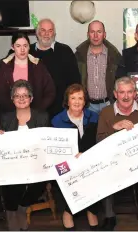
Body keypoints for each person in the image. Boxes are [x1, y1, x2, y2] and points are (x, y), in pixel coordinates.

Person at [97, 77, 138, 231]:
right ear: (115, 94)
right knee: (104, 170)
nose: (126, 96)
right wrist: (114, 128)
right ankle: (109, 217)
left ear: (135, 93)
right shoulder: (106, 113)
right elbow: (99, 142)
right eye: (122, 92)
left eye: (130, 92)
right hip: (115, 159)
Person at [0, 80, 50, 231]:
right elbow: (1, 148)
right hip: (13, 165)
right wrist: (0, 136)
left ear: (31, 98)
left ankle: (22, 206)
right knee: (10, 181)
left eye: (25, 96)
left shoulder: (42, 117)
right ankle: (11, 211)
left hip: (36, 164)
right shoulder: (5, 118)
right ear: (12, 99)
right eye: (17, 96)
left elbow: (47, 143)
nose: (21, 99)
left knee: (39, 183)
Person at [51, 84, 100, 231]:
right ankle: (68, 213)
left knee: (92, 184)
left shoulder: (94, 117)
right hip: (66, 166)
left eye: (80, 98)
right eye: (73, 98)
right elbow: (53, 150)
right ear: (67, 101)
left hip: (89, 163)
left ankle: (86, 212)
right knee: (68, 185)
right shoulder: (56, 121)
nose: (77, 102)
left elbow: (99, 142)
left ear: (85, 101)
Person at [30, 18, 82, 118]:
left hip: (61, 110)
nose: (46, 34)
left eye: (50, 31)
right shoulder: (28, 51)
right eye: (43, 30)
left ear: (54, 34)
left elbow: (75, 82)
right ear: (37, 33)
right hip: (33, 111)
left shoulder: (65, 51)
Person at [0, 32, 56, 114]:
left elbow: (50, 91)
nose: (22, 49)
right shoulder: (4, 66)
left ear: (29, 47)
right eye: (18, 46)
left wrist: (38, 110)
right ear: (12, 47)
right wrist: (15, 113)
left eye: (25, 45)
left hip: (35, 116)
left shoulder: (38, 65)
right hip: (11, 116)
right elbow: (0, 95)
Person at [75, 20, 122, 114]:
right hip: (87, 106)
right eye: (92, 32)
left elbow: (120, 80)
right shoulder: (79, 56)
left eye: (99, 32)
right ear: (88, 34)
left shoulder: (114, 55)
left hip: (109, 104)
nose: (95, 36)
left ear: (104, 34)